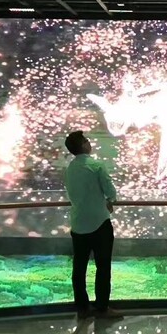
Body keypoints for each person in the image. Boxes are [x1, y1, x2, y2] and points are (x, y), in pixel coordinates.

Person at [63, 130, 121, 319]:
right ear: (83, 145)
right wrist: (110, 200)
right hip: (99, 223)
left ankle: (82, 308)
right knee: (102, 267)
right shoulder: (97, 166)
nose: (89, 143)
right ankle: (102, 308)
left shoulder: (70, 168)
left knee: (79, 267)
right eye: (87, 140)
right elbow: (110, 191)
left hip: (78, 223)